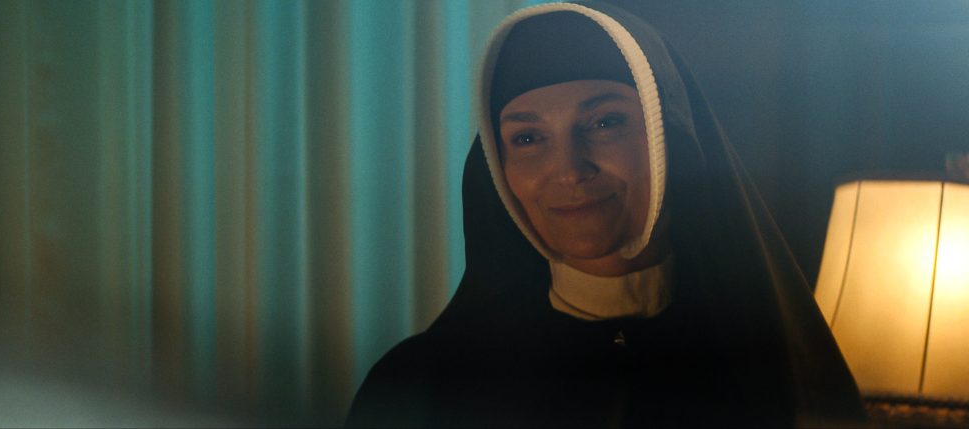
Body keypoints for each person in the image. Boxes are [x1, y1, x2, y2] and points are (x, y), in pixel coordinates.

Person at [347, 1, 867, 427]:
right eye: (527, 138)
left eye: (604, 123)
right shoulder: (415, 387)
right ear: (496, 172)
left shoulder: (774, 375)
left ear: (668, 140)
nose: (569, 170)